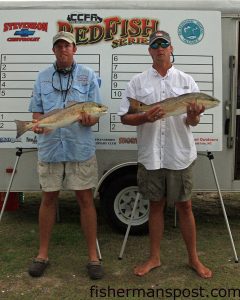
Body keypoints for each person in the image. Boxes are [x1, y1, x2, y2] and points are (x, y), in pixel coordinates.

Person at [118, 30, 212, 279]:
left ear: (171, 49)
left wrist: (193, 115)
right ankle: (154, 257)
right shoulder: (137, 82)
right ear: (149, 51)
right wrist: (144, 117)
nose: (160, 48)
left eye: (164, 44)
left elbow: (192, 122)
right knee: (156, 205)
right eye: (155, 45)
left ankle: (193, 259)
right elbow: (126, 117)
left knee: (185, 205)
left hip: (179, 154)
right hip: (151, 155)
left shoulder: (186, 81)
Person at [28, 31, 104, 280]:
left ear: (75, 49)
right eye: (58, 46)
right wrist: (36, 124)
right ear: (53, 50)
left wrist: (89, 119)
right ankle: (42, 255)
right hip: (50, 148)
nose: (63, 50)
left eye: (67, 46)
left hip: (79, 149)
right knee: (48, 199)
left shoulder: (89, 75)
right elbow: (37, 114)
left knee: (85, 200)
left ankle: (93, 257)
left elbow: (94, 117)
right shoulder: (41, 77)